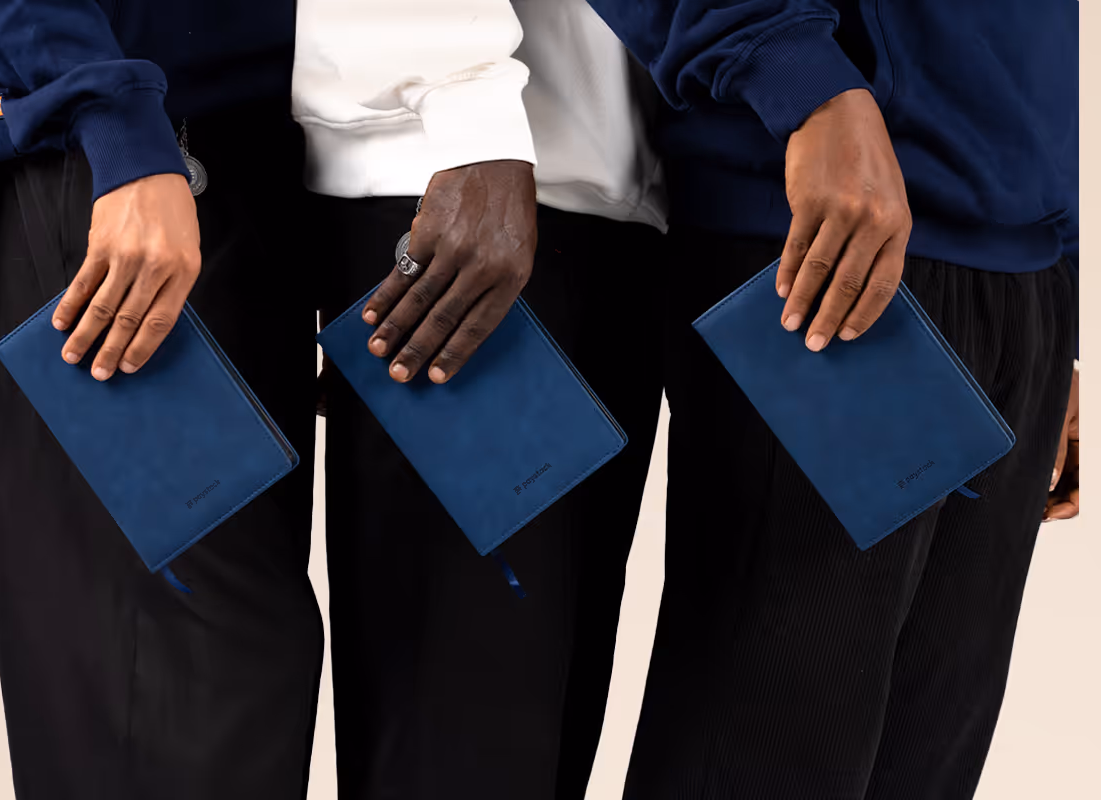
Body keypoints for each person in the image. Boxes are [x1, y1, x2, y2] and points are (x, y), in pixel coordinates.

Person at [578, 1, 1080, 798]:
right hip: (820, 242)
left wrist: (1066, 290)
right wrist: (804, 83)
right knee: (762, 759)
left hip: (1023, 261)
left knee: (923, 768)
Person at [0, 1, 325, 796]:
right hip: (130, 166)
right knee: (190, 685)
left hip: (270, 156)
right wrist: (107, 115)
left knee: (235, 684)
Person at [292, 0, 668, 797]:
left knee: (538, 742)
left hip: (604, 195)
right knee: (462, 748)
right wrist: (468, 116)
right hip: (458, 185)